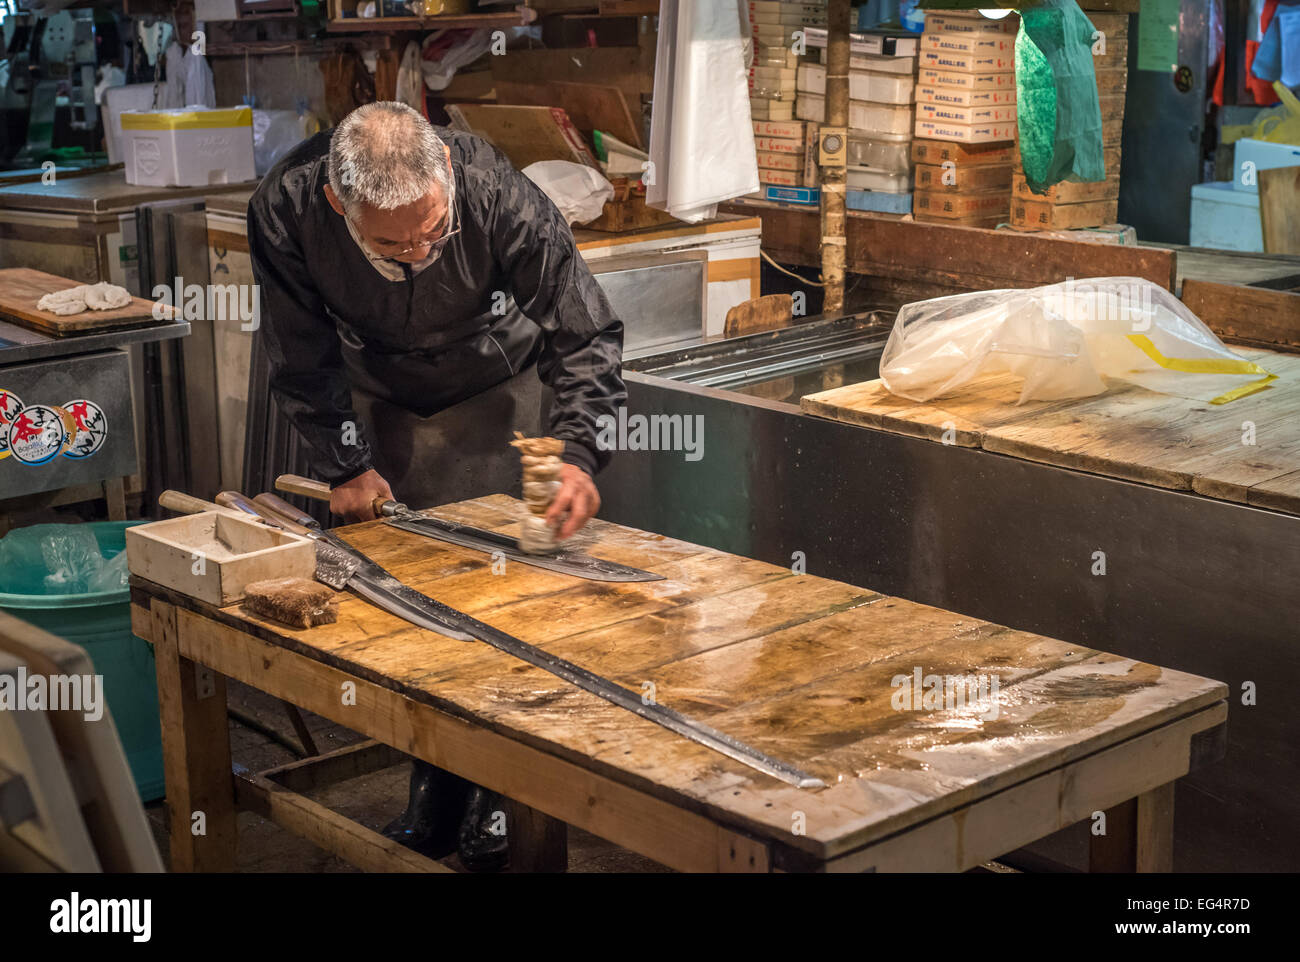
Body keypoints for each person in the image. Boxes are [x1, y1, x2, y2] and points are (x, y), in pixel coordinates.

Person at [248, 101, 626, 871]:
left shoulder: (500, 194)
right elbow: (298, 350)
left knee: (510, 602)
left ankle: (498, 795)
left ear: (447, 173)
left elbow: (582, 330)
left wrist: (582, 453)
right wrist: (345, 464)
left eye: (434, 230)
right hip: (381, 390)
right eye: (392, 242)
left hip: (499, 383)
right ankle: (436, 791)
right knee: (412, 611)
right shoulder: (287, 206)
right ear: (336, 202)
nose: (420, 251)